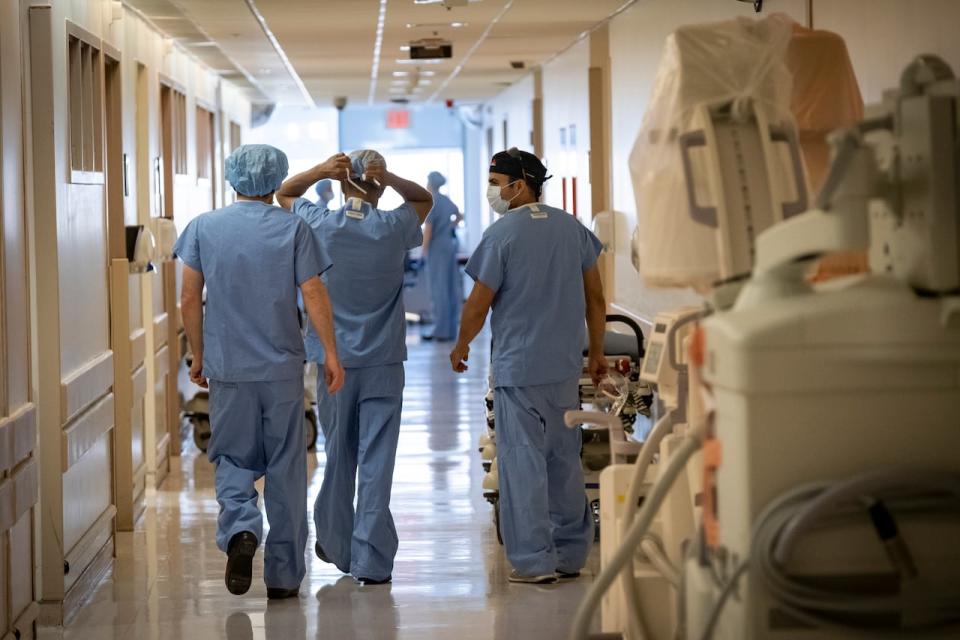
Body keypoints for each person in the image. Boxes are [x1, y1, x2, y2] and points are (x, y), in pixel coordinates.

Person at [175, 144, 347, 600]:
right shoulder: (294, 228)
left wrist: (197, 354)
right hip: (281, 370)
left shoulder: (203, 228)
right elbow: (313, 293)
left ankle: (241, 531)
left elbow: (190, 298)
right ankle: (285, 576)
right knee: (287, 466)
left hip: (228, 368)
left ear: (233, 180)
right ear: (276, 181)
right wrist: (330, 353)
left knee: (232, 457)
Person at [450, 148, 608, 584]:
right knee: (563, 461)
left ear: (520, 183)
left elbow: (478, 304)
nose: (493, 192)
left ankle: (535, 562)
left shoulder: (502, 236)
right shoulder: (572, 229)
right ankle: (571, 555)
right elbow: (596, 298)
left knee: (522, 465)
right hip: (562, 367)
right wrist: (595, 353)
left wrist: (462, 344)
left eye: (496, 183)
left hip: (519, 369)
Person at [277, 149, 433, 585]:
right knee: (377, 458)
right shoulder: (392, 228)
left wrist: (319, 170)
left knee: (340, 452)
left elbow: (284, 193)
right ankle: (371, 559)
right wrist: (391, 178)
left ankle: (335, 538)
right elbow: (423, 202)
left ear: (342, 183)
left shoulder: (320, 222)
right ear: (379, 185)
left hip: (334, 362)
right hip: (384, 360)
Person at [422, 171, 463, 342]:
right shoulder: (446, 200)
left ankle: (440, 331)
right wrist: (449, 227)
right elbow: (459, 215)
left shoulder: (433, 201)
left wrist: (423, 251)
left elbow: (428, 229)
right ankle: (451, 330)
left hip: (437, 248)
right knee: (449, 288)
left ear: (430, 183)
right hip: (449, 246)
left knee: (438, 289)